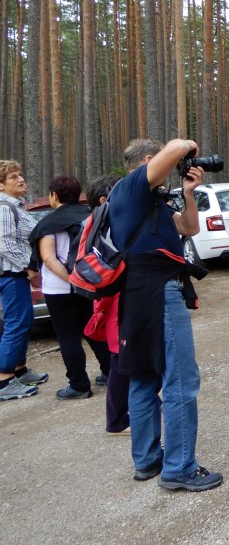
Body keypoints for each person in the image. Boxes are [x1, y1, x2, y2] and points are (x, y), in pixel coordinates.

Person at [110, 138, 222, 491]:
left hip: (139, 291)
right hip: (158, 290)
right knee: (180, 380)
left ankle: (147, 460)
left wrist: (190, 191)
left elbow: (189, 228)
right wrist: (187, 148)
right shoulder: (131, 187)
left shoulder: (148, 200)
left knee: (144, 376)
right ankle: (179, 467)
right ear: (148, 160)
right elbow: (176, 145)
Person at [28, 175, 111, 400]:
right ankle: (110, 372)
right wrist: (82, 280)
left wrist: (69, 278)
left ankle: (79, 385)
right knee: (94, 330)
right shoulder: (90, 216)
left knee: (68, 337)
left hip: (59, 289)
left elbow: (48, 258)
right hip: (88, 284)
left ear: (54, 195)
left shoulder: (47, 223)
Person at [82, 175, 130, 435]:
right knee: (119, 362)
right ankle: (116, 420)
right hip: (113, 304)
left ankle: (130, 411)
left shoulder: (98, 225)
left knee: (123, 360)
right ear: (105, 200)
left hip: (113, 303)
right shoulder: (104, 229)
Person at [0, 160, 48, 401]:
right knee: (16, 323)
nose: (20, 179)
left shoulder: (18, 207)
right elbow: (4, 243)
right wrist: (29, 267)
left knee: (25, 320)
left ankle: (19, 370)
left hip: (17, 273)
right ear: (0, 186)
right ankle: (3, 379)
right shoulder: (4, 208)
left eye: (20, 175)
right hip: (11, 274)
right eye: (12, 177)